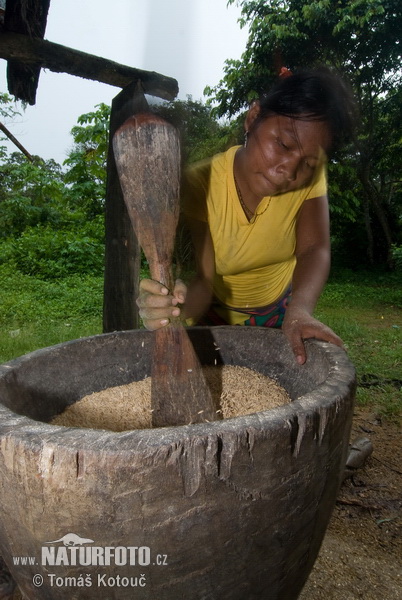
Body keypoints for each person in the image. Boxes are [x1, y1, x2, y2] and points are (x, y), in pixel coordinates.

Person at [137, 67, 357, 364]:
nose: (289, 171)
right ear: (253, 118)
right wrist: (172, 306)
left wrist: (300, 311)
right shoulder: (199, 184)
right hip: (215, 310)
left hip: (282, 309)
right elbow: (203, 277)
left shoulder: (311, 178)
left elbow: (313, 248)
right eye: (283, 144)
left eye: (307, 162)